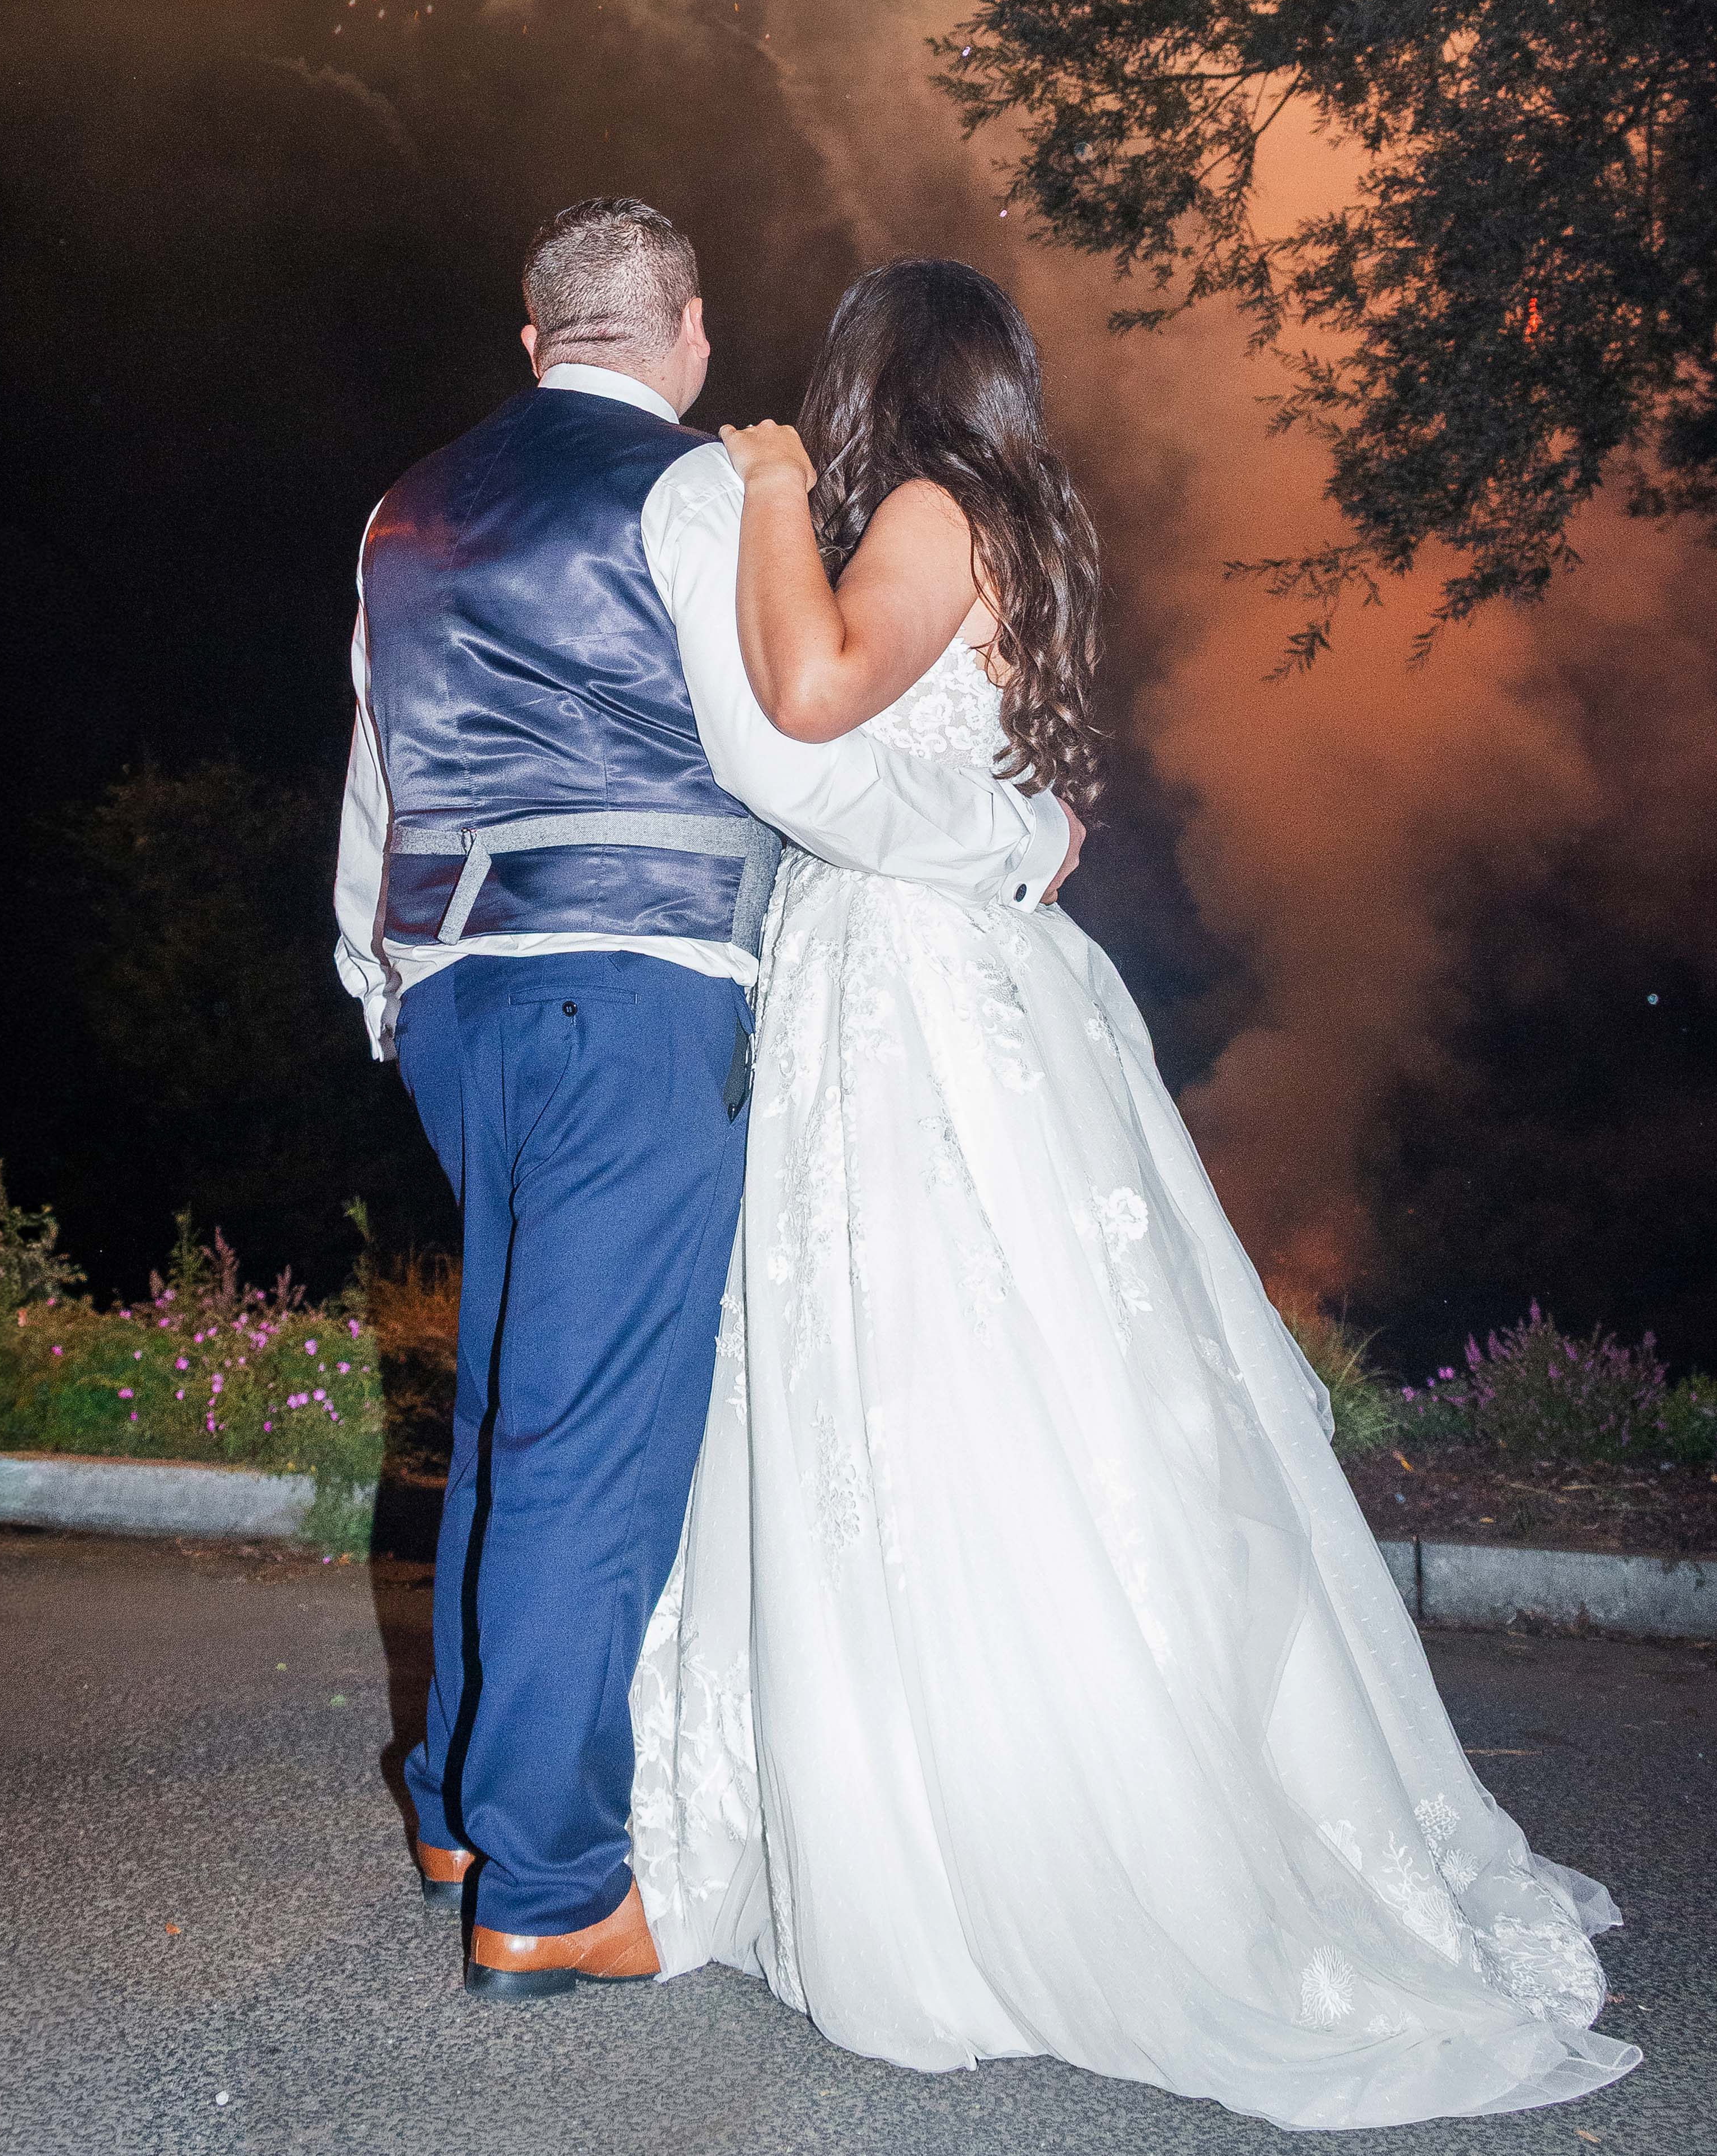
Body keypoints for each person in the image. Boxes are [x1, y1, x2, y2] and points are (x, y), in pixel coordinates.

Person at [630, 255, 1640, 2128]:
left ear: (872, 384)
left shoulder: (924, 512)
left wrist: (763, 490)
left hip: (918, 995)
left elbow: (810, 689)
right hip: (934, 971)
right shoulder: (999, 517)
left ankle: (1009, 1843)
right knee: (965, 1384)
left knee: (941, 1377)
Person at [332, 203, 1080, 1998]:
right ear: (687, 335)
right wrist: (1007, 838)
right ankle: (548, 1881)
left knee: (507, 1406)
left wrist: (382, 980)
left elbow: (380, 764)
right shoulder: (693, 493)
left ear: (534, 342)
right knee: (589, 1441)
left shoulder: (405, 507)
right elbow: (786, 760)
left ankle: (453, 1806)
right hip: (638, 994)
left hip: (450, 995)